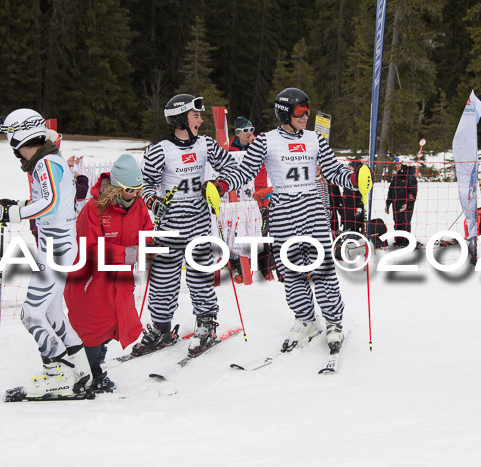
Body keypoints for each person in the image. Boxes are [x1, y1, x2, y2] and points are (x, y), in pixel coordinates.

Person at [210, 87, 371, 353]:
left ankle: (333, 322)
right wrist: (222, 185)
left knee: (323, 269)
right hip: (283, 209)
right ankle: (306, 319)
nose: (305, 116)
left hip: (312, 207)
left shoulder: (315, 138)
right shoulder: (265, 141)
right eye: (299, 111)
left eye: (307, 110)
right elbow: (245, 171)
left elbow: (332, 170)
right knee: (291, 270)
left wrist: (354, 180)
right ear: (285, 113)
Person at [0, 108, 92, 398]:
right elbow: (46, 200)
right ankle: (82, 371)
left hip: (56, 248)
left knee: (31, 314)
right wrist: (13, 204)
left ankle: (56, 373)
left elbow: (50, 203)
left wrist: (12, 212)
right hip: (58, 246)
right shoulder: (49, 161)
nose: (11, 145)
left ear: (21, 134)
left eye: (9, 135)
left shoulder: (46, 162)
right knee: (53, 314)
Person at [140, 93, 238, 357]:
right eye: (196, 116)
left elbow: (230, 165)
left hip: (197, 223)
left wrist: (218, 185)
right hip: (169, 226)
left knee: (199, 276)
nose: (201, 120)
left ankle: (206, 324)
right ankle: (161, 327)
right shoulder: (159, 150)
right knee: (163, 279)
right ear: (181, 119)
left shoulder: (205, 144)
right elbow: (145, 183)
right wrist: (152, 200)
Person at [65, 154, 154, 391]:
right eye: (128, 189)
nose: (133, 193)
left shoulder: (139, 205)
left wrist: (149, 248)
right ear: (115, 187)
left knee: (113, 325)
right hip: (92, 280)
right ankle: (92, 373)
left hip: (120, 280)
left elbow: (147, 232)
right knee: (92, 328)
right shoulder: (93, 209)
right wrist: (130, 255)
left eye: (137, 188)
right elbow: (90, 247)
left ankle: (95, 365)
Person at [385, 156, 417, 247]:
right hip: (395, 203)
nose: (396, 166)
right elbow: (391, 190)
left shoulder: (410, 176)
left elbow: (412, 193)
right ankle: (399, 240)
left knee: (405, 222)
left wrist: (406, 202)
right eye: (396, 164)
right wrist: (388, 203)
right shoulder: (396, 176)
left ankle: (406, 241)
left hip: (406, 204)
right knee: (397, 222)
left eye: (398, 164)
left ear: (404, 164)